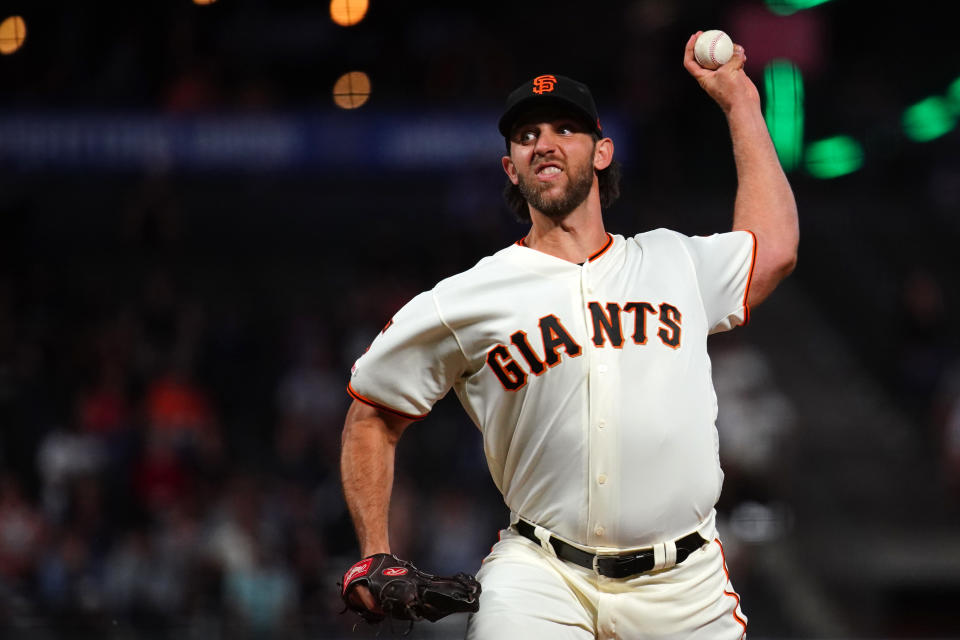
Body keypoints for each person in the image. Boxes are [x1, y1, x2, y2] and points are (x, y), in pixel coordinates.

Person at [340, 32, 798, 639]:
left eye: (564, 129)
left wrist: (740, 100)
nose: (544, 144)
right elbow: (372, 412)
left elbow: (774, 251)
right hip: (541, 576)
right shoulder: (469, 296)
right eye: (526, 136)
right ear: (511, 167)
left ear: (602, 152)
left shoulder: (672, 261)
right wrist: (374, 552)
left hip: (683, 585)